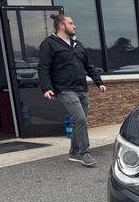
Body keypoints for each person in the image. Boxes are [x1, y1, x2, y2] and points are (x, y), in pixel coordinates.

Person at [37, 14, 106, 167]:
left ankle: (74, 151)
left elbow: (89, 66)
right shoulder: (50, 44)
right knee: (81, 119)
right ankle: (84, 153)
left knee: (79, 121)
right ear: (61, 25)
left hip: (81, 88)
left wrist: (98, 82)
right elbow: (43, 67)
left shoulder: (78, 44)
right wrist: (46, 87)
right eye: (71, 23)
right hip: (64, 89)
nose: (74, 26)